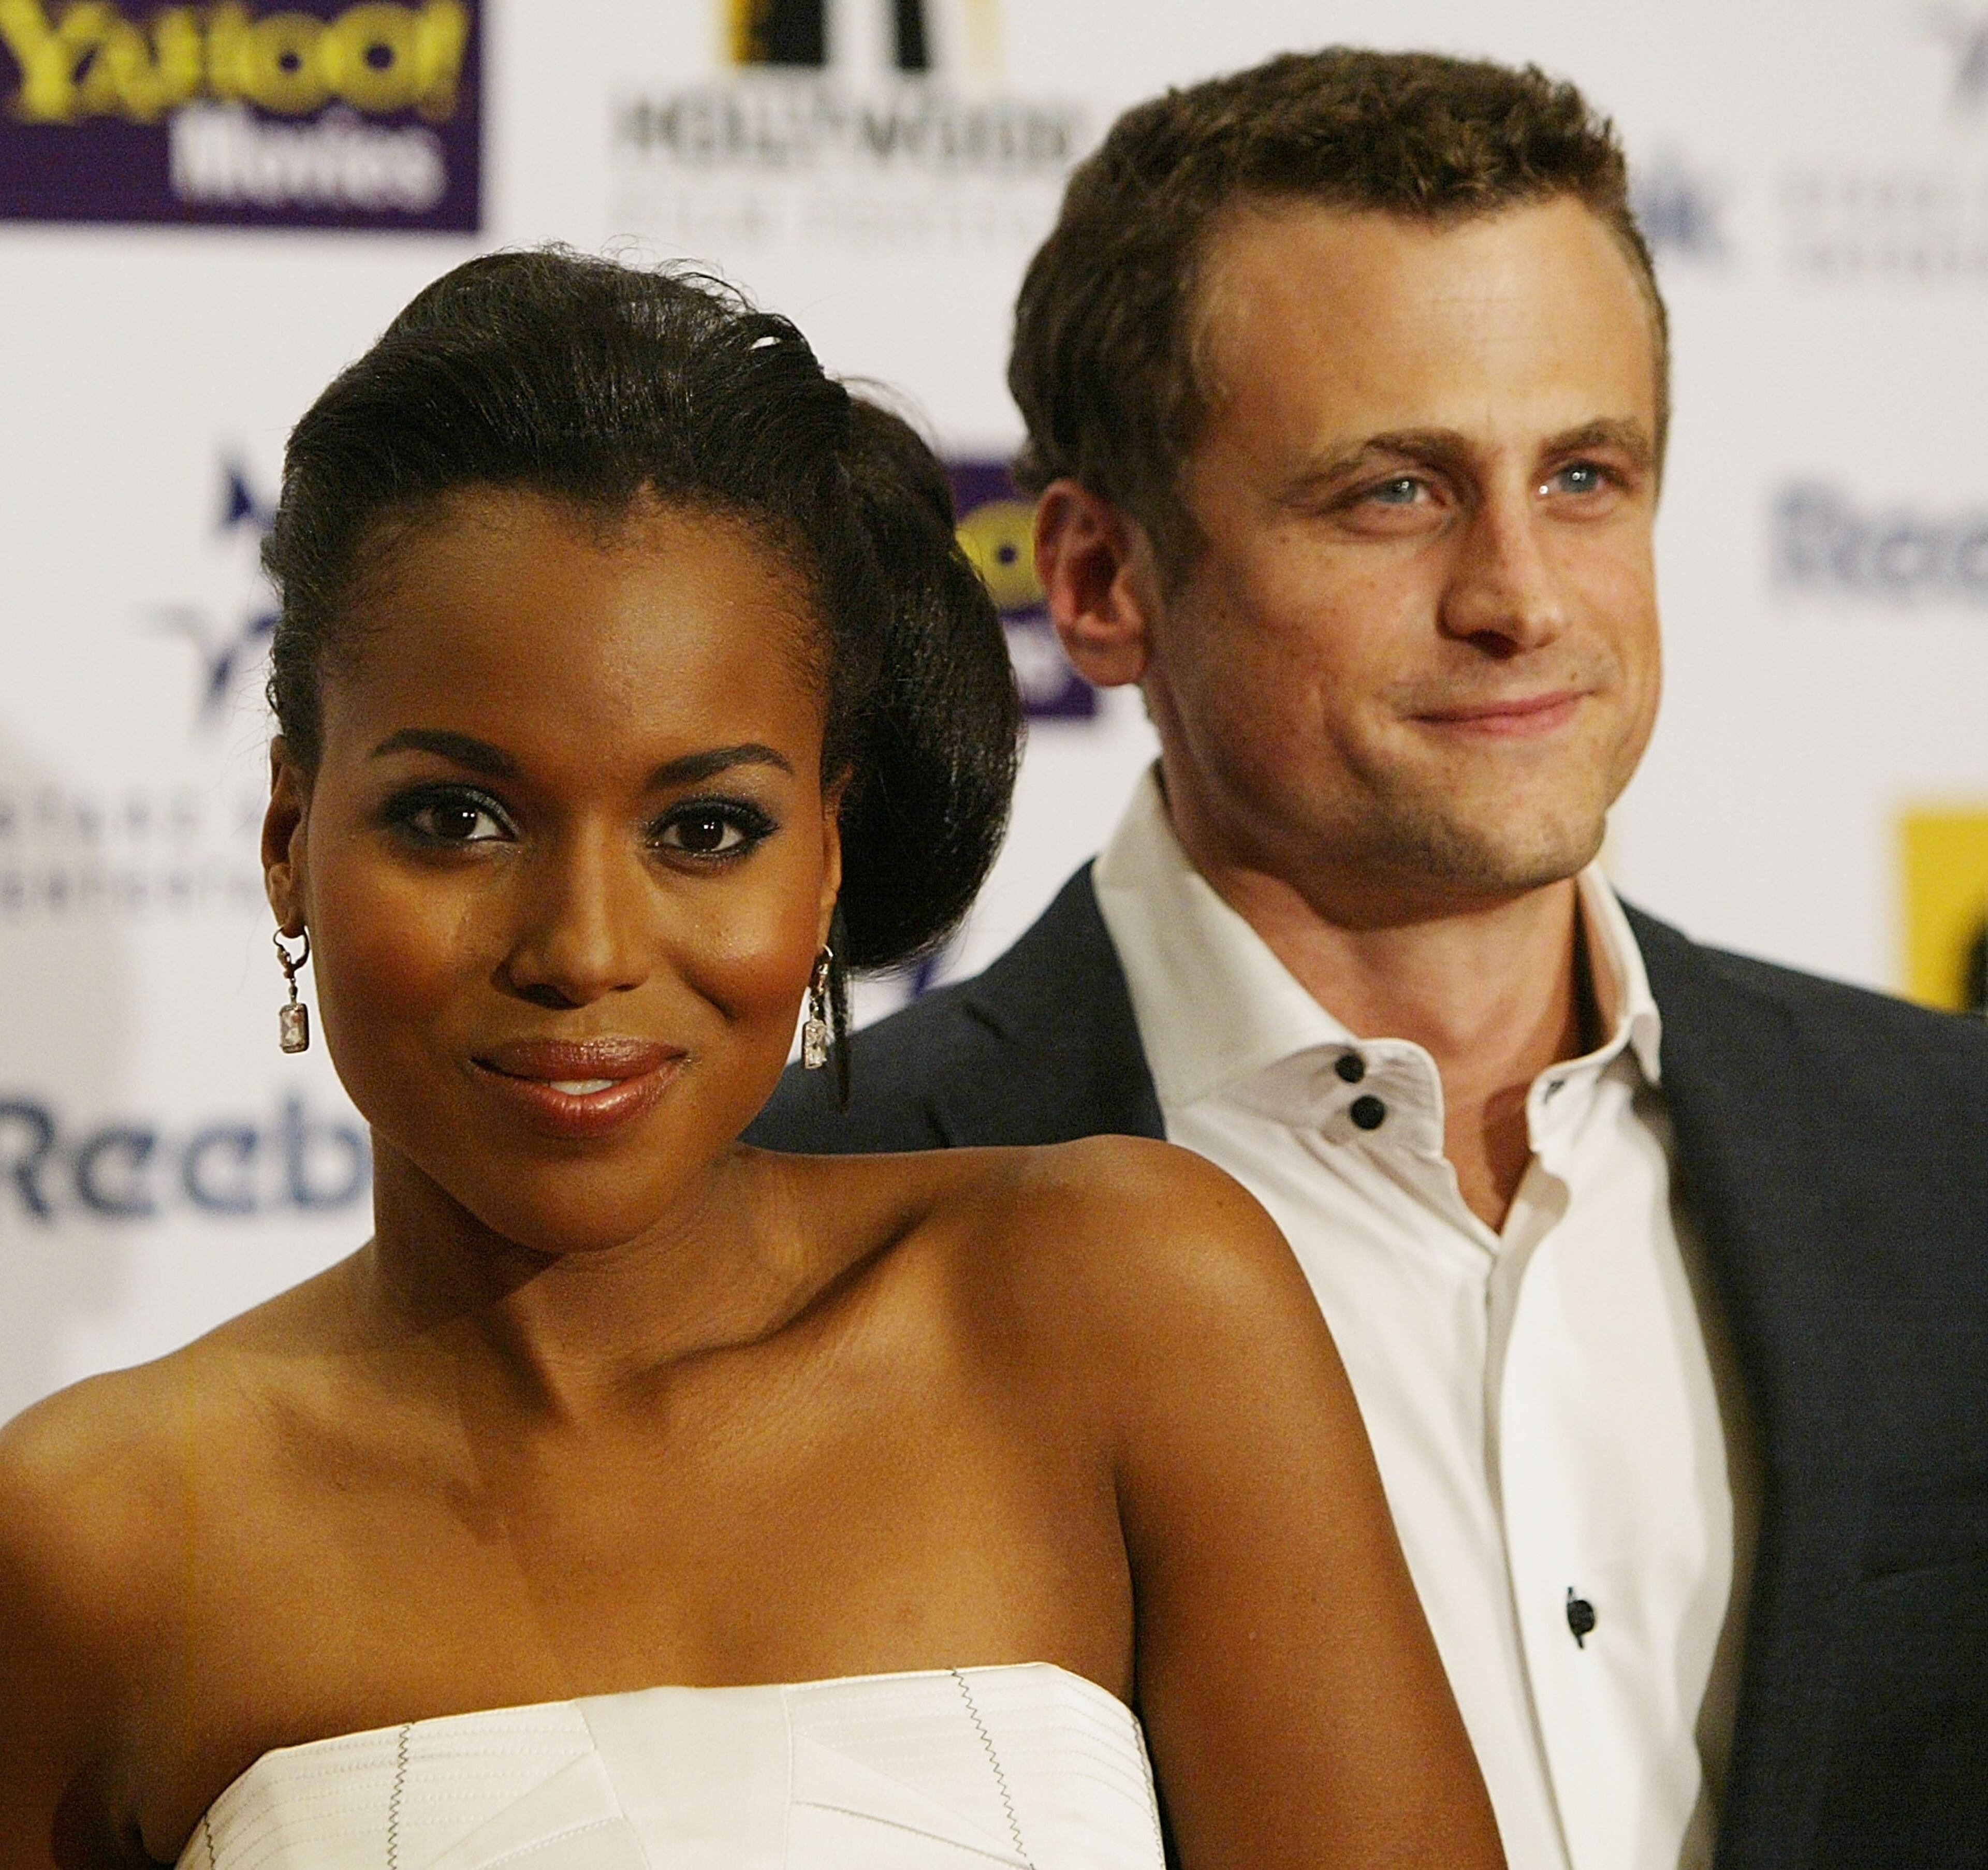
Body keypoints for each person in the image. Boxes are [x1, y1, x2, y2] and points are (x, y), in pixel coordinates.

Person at [0, 251, 1503, 1870]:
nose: (582, 944)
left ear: (829, 855)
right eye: (458, 817)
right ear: (293, 835)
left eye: (704, 828)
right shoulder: (99, 1535)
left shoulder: (1125, 1307)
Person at [751, 48, 1988, 1870]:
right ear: (1097, 579)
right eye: (1393, 494)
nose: (1521, 593)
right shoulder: (814, 1228)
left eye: (1584, 474)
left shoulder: (1945, 1150)